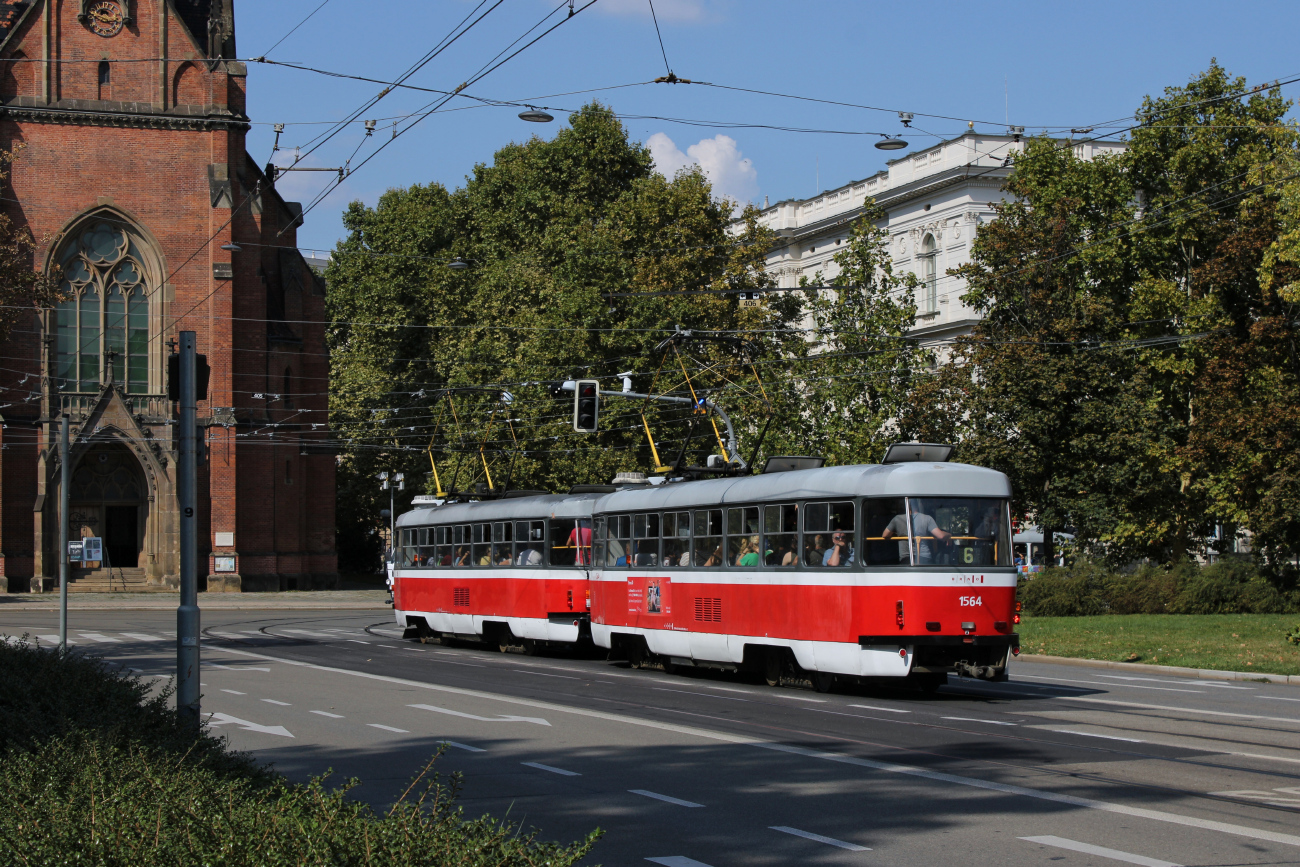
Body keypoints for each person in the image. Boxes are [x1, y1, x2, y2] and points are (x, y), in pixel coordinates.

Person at [881, 507, 950, 564]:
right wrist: (949, 534)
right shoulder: (927, 518)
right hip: (924, 557)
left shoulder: (897, 519)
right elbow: (940, 536)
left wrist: (898, 534)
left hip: (906, 558)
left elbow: (885, 535)